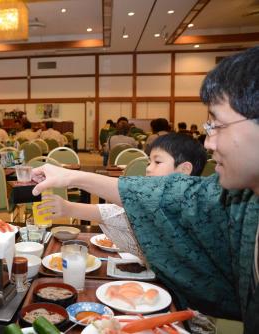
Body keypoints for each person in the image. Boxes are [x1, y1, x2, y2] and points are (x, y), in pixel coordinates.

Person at [31, 47, 259, 333]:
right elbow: (176, 198)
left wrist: (74, 181)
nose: (209, 143)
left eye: (217, 126)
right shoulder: (244, 199)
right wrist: (72, 178)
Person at [37, 132, 207, 257]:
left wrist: (71, 181)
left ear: (184, 170)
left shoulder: (194, 210)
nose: (148, 167)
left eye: (157, 162)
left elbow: (129, 202)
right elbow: (116, 213)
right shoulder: (158, 206)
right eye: (149, 161)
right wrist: (68, 207)